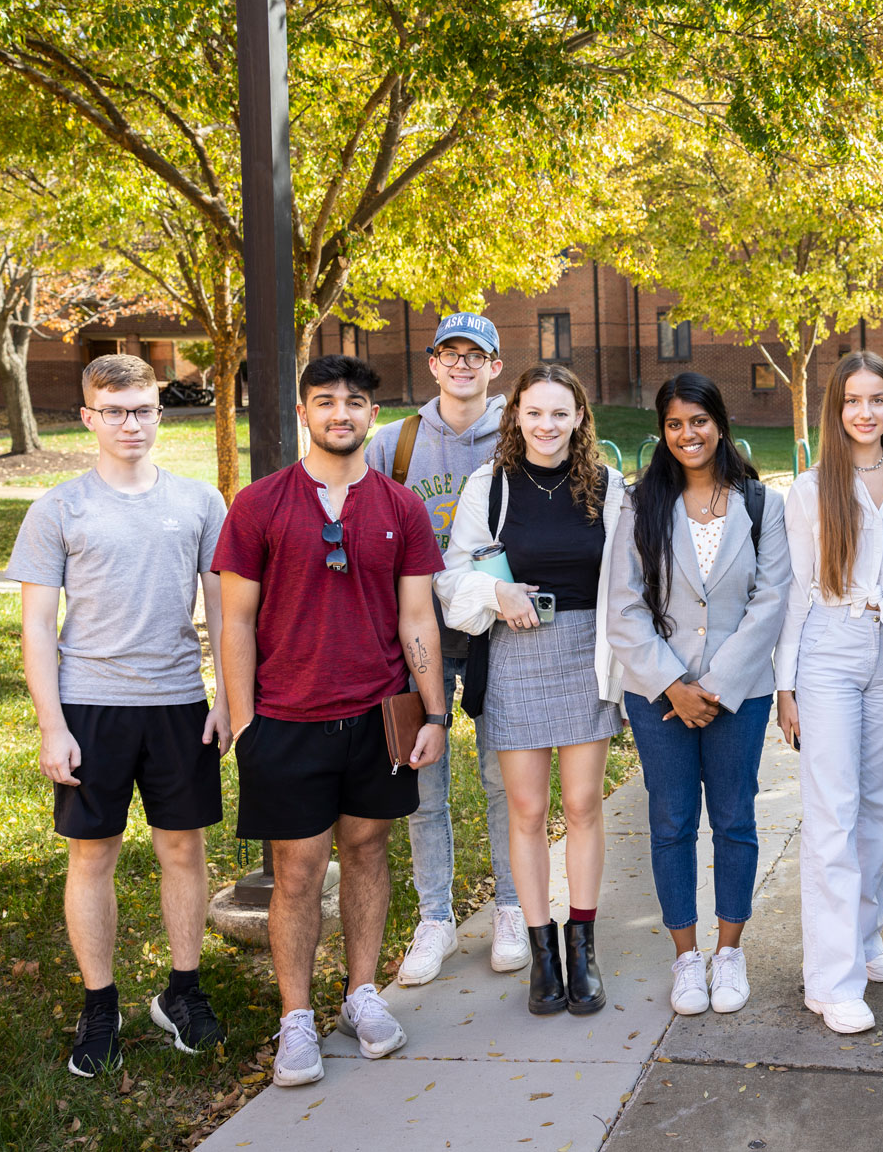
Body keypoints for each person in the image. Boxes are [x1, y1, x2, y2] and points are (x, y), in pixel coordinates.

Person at [216, 355, 450, 1088]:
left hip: (377, 714)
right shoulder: (259, 505)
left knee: (370, 851)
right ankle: (295, 1019)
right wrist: (246, 723)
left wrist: (435, 712)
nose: (340, 413)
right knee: (296, 873)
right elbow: (234, 623)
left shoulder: (400, 508)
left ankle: (360, 995)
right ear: (304, 412)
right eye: (325, 401)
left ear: (371, 416)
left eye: (354, 402)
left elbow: (418, 616)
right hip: (285, 719)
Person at [10, 354, 231, 1078]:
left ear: (159, 414)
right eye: (114, 411)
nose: (129, 423)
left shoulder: (201, 501)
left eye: (141, 409)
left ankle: (182, 992)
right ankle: (99, 1003)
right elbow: (38, 626)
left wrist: (228, 695)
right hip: (90, 707)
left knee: (182, 850)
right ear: (88, 418)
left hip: (177, 705)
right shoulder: (59, 508)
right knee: (93, 855)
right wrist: (52, 724)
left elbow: (225, 613)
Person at [438, 365, 626, 1016]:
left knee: (581, 805)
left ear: (580, 418)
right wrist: (496, 592)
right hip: (515, 655)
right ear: (515, 415)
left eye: (560, 413)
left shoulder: (608, 487)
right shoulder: (488, 487)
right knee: (525, 810)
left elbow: (630, 580)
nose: (547, 426)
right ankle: (540, 954)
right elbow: (450, 579)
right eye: (535, 413)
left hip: (583, 656)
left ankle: (584, 949)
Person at [608, 373, 789, 1018]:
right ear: (663, 431)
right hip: (659, 695)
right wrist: (675, 686)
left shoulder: (760, 504)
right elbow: (624, 607)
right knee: (671, 821)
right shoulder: (641, 505)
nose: (688, 435)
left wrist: (715, 686)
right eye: (675, 424)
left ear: (720, 423)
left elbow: (771, 601)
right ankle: (686, 957)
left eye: (699, 421)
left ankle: (729, 950)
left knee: (735, 818)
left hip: (739, 694)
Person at [364, 312, 527, 984]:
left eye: (476, 355)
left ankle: (513, 907)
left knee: (502, 780)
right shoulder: (395, 444)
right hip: (416, 639)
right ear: (432, 363)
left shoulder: (518, 438)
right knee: (424, 784)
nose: (462, 365)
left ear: (495, 366)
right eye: (449, 354)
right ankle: (435, 919)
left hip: (498, 634)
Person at [775, 352, 883, 1035]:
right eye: (852, 401)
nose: (865, 412)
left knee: (881, 804)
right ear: (836, 410)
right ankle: (829, 979)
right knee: (831, 812)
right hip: (828, 651)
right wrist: (786, 683)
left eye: (877, 399)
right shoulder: (809, 490)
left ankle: (862, 940)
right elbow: (794, 593)